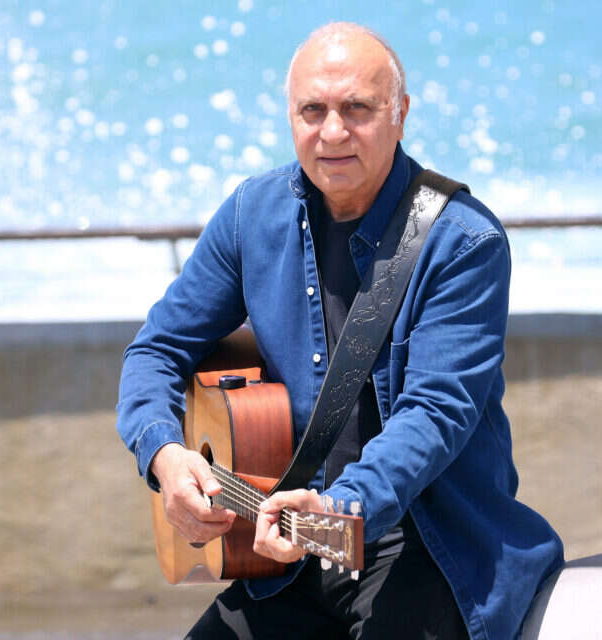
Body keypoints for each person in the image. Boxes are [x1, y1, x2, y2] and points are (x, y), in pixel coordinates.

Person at [117, 22, 563, 640]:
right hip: (290, 554)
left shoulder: (464, 241)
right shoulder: (252, 214)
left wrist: (336, 509)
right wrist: (165, 457)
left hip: (428, 548)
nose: (332, 132)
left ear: (400, 114)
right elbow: (156, 350)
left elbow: (435, 413)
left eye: (357, 109)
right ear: (289, 116)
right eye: (313, 111)